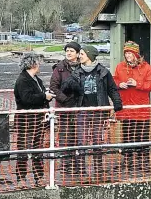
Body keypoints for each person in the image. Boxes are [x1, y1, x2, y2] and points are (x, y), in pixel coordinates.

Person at [61, 45, 122, 181]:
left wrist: (117, 104)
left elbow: (112, 89)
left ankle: (98, 171)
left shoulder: (103, 71)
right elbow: (64, 90)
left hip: (99, 111)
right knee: (81, 141)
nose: (79, 56)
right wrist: (69, 83)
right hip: (82, 110)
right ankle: (82, 172)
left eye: (82, 54)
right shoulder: (76, 72)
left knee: (97, 141)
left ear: (89, 55)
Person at [114, 41, 151, 172]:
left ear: (136, 54)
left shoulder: (146, 68)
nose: (127, 56)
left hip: (141, 110)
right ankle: (127, 161)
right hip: (126, 109)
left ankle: (143, 162)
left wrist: (137, 83)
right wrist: (119, 84)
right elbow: (114, 80)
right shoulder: (120, 66)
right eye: (126, 53)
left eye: (130, 53)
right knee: (127, 136)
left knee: (142, 136)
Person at [14, 54, 55, 186]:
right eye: (38, 63)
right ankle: (21, 178)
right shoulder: (23, 80)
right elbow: (26, 98)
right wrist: (44, 96)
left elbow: (37, 96)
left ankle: (39, 176)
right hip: (26, 119)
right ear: (33, 64)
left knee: (38, 148)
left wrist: (46, 98)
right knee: (23, 149)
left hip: (38, 118)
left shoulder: (36, 79)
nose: (40, 65)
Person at [49, 42, 81, 173]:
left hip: (79, 107)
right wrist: (65, 99)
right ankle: (66, 164)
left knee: (79, 136)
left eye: (72, 51)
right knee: (64, 136)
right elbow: (53, 87)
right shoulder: (59, 68)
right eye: (67, 50)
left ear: (78, 54)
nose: (69, 53)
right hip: (64, 108)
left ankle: (78, 164)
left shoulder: (83, 67)